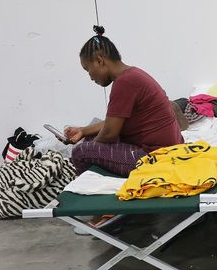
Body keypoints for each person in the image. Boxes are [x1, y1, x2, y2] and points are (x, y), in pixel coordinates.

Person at [63, 26, 183, 176]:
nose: (90, 77)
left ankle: (92, 188)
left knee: (81, 152)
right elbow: (113, 122)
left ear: (100, 61)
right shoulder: (132, 74)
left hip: (157, 157)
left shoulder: (124, 82)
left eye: (88, 70)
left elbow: (110, 133)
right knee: (90, 138)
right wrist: (83, 130)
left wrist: (91, 147)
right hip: (171, 148)